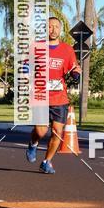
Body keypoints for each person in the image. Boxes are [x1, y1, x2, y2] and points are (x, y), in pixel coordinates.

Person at [25, 17, 80, 174]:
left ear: (60, 29)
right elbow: (26, 65)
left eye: (56, 26)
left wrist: (76, 74)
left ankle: (47, 161)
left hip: (59, 98)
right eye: (50, 27)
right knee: (41, 131)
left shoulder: (67, 50)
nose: (53, 29)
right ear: (45, 29)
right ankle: (33, 143)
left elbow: (74, 67)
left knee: (57, 132)